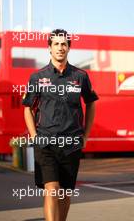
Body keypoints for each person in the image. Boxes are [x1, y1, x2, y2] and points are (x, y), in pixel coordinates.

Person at [22, 29, 98, 221]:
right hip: (45, 143)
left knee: (64, 193)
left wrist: (85, 136)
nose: (60, 47)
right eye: (56, 44)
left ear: (69, 48)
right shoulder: (37, 77)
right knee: (52, 188)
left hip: (72, 144)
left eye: (64, 44)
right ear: (49, 48)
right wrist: (34, 137)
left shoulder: (80, 76)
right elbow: (27, 109)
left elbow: (91, 104)